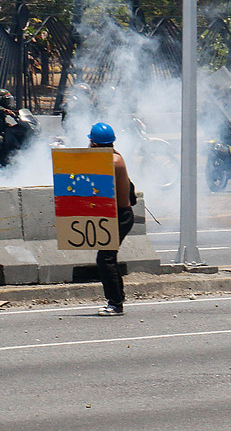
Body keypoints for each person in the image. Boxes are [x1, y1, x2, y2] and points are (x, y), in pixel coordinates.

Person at [88, 122, 135, 316]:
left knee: (105, 259)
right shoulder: (114, 157)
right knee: (109, 258)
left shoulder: (110, 162)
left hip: (119, 217)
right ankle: (117, 299)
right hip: (115, 216)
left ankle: (115, 303)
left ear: (95, 143)